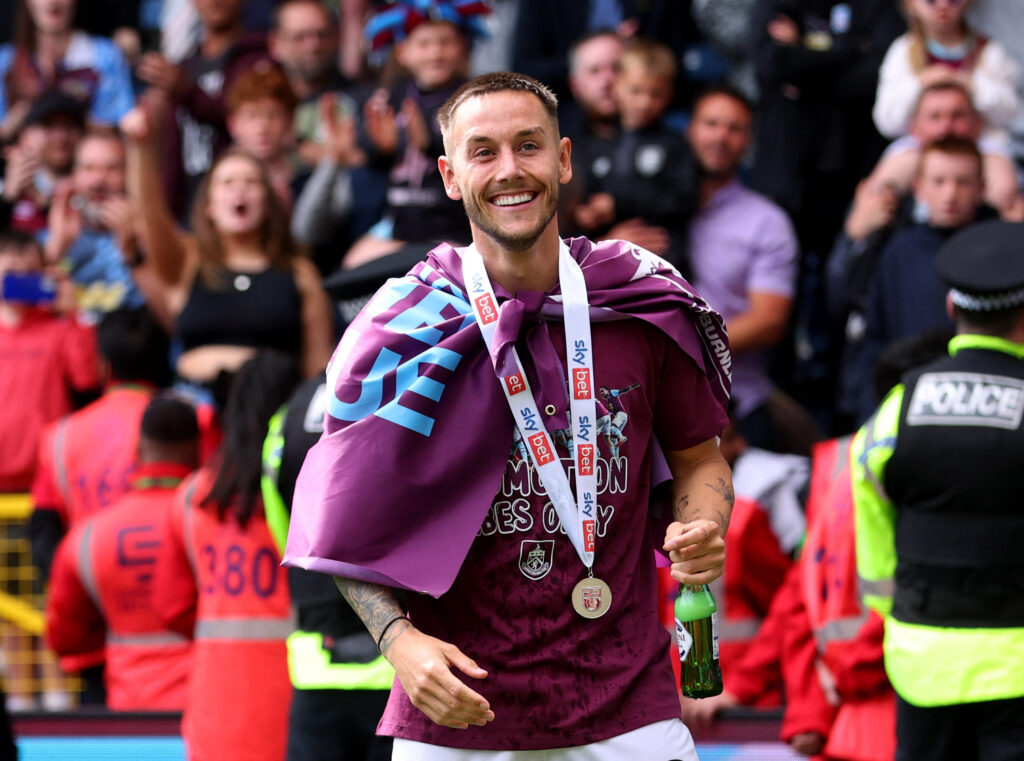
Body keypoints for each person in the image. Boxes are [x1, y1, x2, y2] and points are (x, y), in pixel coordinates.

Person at [285, 71, 735, 759]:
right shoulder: (404, 328)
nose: (509, 170)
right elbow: (345, 523)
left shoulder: (639, 302)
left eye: (528, 146)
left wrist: (704, 523)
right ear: (449, 174)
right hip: (458, 717)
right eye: (483, 151)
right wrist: (397, 642)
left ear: (562, 158)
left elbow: (702, 457)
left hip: (627, 709)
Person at [852, 219, 1024, 761]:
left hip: (921, 662)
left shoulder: (897, 409)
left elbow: (869, 517)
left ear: (952, 308)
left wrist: (892, 616)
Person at [119, 102, 334, 396]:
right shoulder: (188, 261)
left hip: (272, 413)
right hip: (197, 416)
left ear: (270, 204)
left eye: (251, 182)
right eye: (227, 183)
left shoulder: (300, 273)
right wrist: (140, 149)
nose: (239, 190)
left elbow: (318, 373)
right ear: (209, 206)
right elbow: (150, 217)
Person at [155, 350, 299, 761]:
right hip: (299, 698)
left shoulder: (190, 499)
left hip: (216, 706)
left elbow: (171, 607)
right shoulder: (312, 492)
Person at [262, 375, 395, 761]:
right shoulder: (417, 388)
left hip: (315, 664)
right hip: (405, 666)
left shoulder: (290, 413)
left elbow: (283, 530)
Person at [44, 396, 199, 711]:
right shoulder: (211, 524)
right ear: (198, 449)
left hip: (126, 712)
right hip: (203, 706)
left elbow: (65, 638)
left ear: (138, 449)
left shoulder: (87, 537)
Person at [843, 136, 989, 423]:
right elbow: (874, 336)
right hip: (909, 403)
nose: (950, 193)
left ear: (981, 188)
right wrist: (869, 414)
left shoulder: (998, 248)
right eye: (939, 181)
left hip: (982, 403)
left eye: (962, 181)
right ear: (918, 188)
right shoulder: (897, 251)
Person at [685, 85, 799, 450]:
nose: (721, 136)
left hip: (738, 405)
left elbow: (769, 322)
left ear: (749, 140)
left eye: (735, 128)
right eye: (712, 123)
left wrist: (683, 349)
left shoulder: (766, 221)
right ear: (690, 129)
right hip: (645, 399)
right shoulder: (648, 204)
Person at [344, 3, 485, 269]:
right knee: (354, 267)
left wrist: (431, 145)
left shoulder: (472, 99)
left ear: (463, 47)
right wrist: (379, 148)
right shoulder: (393, 95)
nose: (435, 52)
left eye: (446, 42)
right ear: (403, 52)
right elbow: (372, 156)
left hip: (452, 229)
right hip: (398, 227)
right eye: (423, 44)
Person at [135, 0, 270, 220]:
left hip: (240, 204)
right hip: (189, 209)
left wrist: (186, 92)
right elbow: (173, 152)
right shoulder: (185, 67)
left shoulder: (257, 59)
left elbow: (247, 124)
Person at [569, 38, 695, 263]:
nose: (645, 102)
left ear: (669, 94)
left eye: (655, 94)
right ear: (618, 87)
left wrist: (617, 202)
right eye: (636, 91)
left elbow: (683, 198)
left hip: (664, 259)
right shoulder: (592, 144)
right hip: (605, 266)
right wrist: (587, 215)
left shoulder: (674, 143)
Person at [0, 229, 98, 494]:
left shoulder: (60, 328)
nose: (20, 280)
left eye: (29, 272)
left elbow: (87, 378)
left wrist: (74, 313)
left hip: (45, 477)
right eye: (11, 272)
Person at [873, 0, 1019, 145]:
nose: (943, 6)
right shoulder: (903, 51)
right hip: (922, 144)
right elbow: (888, 124)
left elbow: (1008, 115)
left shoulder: (988, 51)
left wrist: (970, 84)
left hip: (978, 143)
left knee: (999, 163)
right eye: (931, 1)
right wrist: (920, 83)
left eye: (953, 0)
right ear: (910, 4)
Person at [41, 128, 147, 318]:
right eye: (88, 168)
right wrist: (56, 250)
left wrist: (135, 253)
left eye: (112, 168)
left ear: (129, 176)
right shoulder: (45, 243)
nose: (98, 180)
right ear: (73, 176)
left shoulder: (156, 239)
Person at [0, 0, 134, 139]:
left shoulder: (106, 57)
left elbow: (119, 130)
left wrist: (68, 111)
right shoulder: (5, 62)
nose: (52, 2)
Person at [0, 91, 85, 233]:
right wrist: (8, 197)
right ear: (25, 134)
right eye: (49, 126)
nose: (61, 137)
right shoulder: (5, 178)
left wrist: (40, 198)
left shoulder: (93, 180)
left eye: (69, 126)